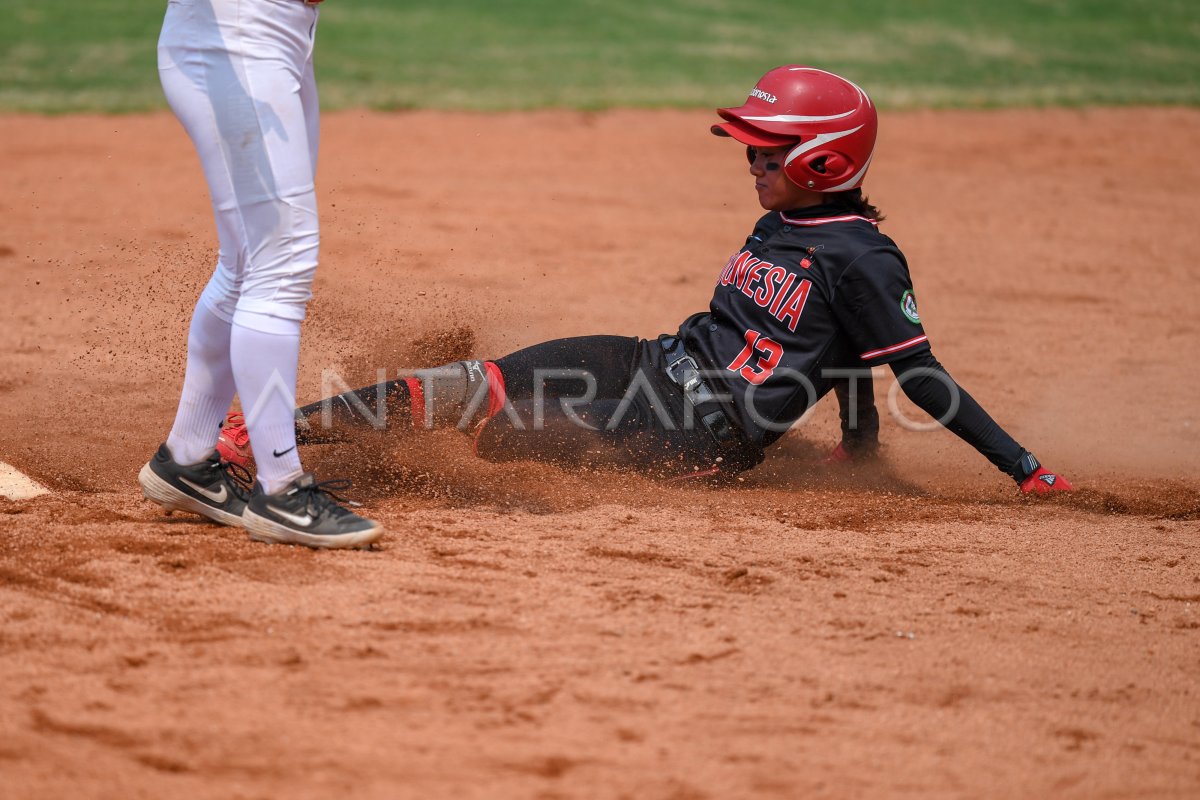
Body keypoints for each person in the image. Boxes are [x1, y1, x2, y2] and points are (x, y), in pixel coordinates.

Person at [220, 65, 1072, 496]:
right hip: (652, 361)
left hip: (699, 434)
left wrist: (1023, 468)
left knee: (511, 428)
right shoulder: (784, 222)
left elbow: (910, 371)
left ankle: (295, 459)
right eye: (751, 146)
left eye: (768, 150)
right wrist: (858, 445)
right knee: (482, 380)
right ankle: (262, 440)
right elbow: (841, 346)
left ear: (827, 157)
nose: (752, 160)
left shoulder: (864, 256)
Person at [137, 0, 383, 549]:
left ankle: (188, 456)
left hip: (272, 41)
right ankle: (283, 491)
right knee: (281, 265)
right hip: (240, 43)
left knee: (250, 260)